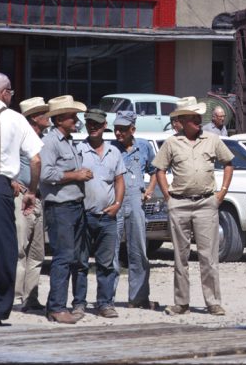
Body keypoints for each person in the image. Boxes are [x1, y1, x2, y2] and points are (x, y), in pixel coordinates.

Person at [152, 97, 233, 316]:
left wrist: (222, 192)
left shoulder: (213, 139)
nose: (199, 121)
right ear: (183, 120)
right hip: (179, 203)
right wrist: (168, 196)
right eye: (194, 118)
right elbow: (159, 169)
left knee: (208, 256)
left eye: (199, 117)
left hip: (206, 202)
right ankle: (181, 303)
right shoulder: (171, 143)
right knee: (181, 256)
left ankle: (213, 302)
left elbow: (228, 163)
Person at [0, 72, 42, 331]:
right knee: (3, 249)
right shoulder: (16, 119)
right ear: (4, 93)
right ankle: (0, 307)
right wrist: (32, 192)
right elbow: (36, 159)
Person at [40, 95, 92, 324]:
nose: (76, 119)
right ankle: (57, 307)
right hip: (60, 207)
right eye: (72, 116)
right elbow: (45, 173)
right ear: (59, 119)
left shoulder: (69, 141)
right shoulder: (50, 142)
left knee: (74, 257)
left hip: (74, 205)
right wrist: (76, 175)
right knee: (63, 257)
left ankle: (62, 305)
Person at [73, 108, 125, 319]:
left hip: (107, 217)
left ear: (105, 125)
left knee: (106, 264)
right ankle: (79, 304)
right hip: (84, 215)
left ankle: (105, 303)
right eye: (89, 123)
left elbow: (119, 180)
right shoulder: (79, 150)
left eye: (96, 123)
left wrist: (118, 204)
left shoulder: (114, 152)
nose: (92, 127)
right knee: (80, 263)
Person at [111, 110, 158, 309]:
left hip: (136, 202)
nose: (118, 134)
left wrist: (149, 190)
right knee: (110, 251)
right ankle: (107, 299)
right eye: (116, 129)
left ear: (133, 129)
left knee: (138, 250)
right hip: (115, 202)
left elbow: (155, 171)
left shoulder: (144, 146)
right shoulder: (111, 148)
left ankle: (138, 298)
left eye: (123, 129)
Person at [14, 96, 50, 313]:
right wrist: (12, 181)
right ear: (35, 118)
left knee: (37, 251)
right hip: (23, 196)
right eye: (44, 114)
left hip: (37, 196)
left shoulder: (42, 139)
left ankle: (31, 296)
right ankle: (16, 297)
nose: (48, 117)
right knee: (19, 248)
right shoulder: (19, 138)